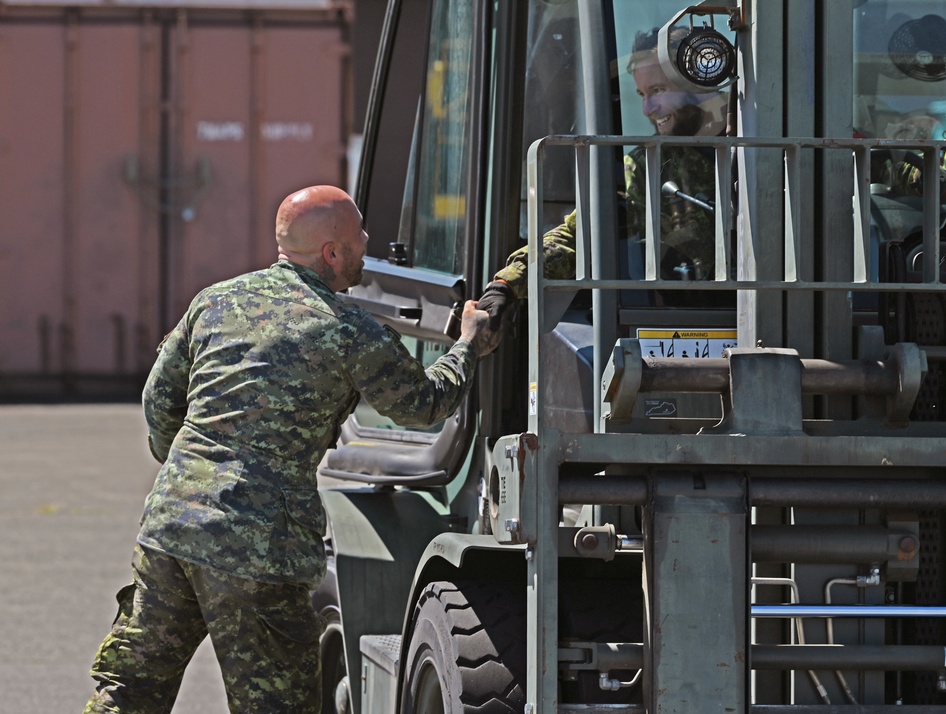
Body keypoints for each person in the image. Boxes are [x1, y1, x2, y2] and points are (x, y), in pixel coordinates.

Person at [83, 185, 498, 713]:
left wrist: (192, 477)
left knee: (129, 693)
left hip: (170, 530)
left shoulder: (214, 301)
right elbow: (425, 403)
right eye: (358, 235)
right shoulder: (346, 329)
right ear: (332, 252)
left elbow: (158, 403)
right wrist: (467, 344)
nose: (367, 243)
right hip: (259, 551)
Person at [478, 26, 727, 324]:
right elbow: (580, 232)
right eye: (642, 94)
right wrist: (507, 283)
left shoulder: (765, 143)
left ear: (696, 83)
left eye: (658, 90)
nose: (648, 108)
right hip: (694, 326)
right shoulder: (648, 166)